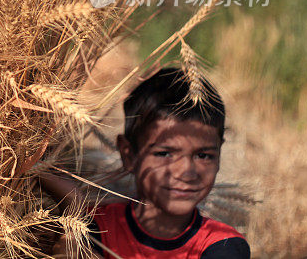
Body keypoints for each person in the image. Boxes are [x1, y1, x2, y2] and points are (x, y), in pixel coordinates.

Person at [39, 67, 250, 258]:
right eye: (165, 153)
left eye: (204, 156)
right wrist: (73, 205)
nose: (186, 171)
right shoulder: (96, 226)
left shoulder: (223, 245)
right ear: (129, 155)